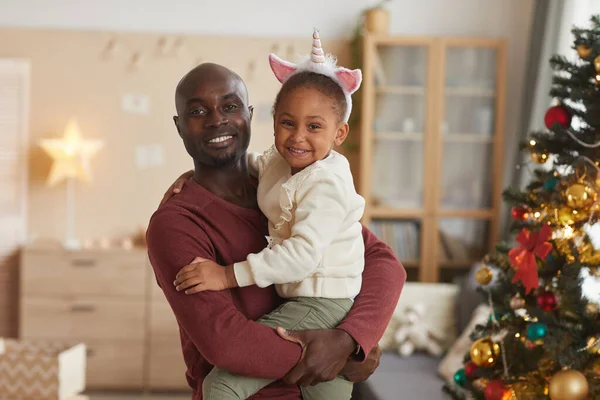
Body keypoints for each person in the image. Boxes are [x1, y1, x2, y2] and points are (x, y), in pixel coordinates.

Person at [147, 35, 406, 400]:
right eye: (197, 111)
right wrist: (340, 357)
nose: (216, 120)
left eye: (230, 105)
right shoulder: (175, 223)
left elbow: (383, 262)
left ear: (250, 116)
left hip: (321, 361)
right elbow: (228, 344)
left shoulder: (297, 182)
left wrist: (351, 340)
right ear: (179, 126)